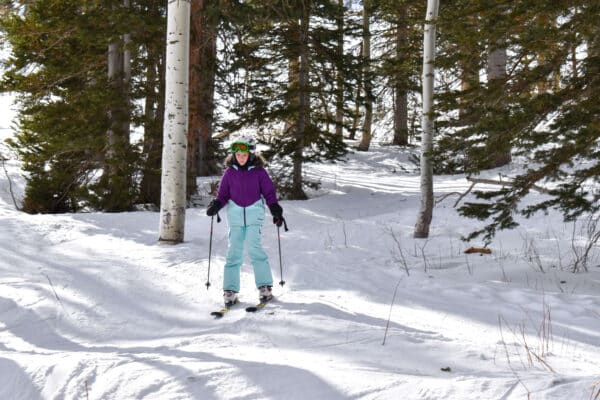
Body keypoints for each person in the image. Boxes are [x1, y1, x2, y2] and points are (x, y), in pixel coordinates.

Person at [206, 136, 284, 306]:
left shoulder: (259, 172)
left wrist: (275, 209)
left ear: (251, 154)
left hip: (254, 214)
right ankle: (230, 290)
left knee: (254, 247)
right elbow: (223, 195)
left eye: (244, 154)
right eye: (238, 154)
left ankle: (264, 286)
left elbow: (269, 193)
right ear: (234, 154)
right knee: (234, 251)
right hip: (235, 216)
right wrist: (216, 205)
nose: (241, 157)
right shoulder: (229, 172)